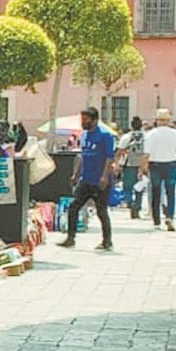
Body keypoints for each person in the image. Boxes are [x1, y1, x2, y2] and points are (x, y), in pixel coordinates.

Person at [60, 107, 117, 251]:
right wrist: (76, 174)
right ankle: (70, 238)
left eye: (86, 120)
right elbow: (81, 156)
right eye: (82, 119)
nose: (83, 122)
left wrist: (104, 176)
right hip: (86, 179)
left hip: (100, 179)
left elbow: (110, 157)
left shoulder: (105, 135)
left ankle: (107, 241)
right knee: (74, 207)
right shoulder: (83, 135)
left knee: (101, 211)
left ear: (95, 120)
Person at [143, 113, 176, 230]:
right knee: (170, 192)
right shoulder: (175, 133)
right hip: (171, 164)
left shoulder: (151, 134)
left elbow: (146, 153)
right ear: (168, 120)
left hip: (155, 165)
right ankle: (169, 216)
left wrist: (142, 168)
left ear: (157, 120)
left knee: (155, 193)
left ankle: (156, 220)